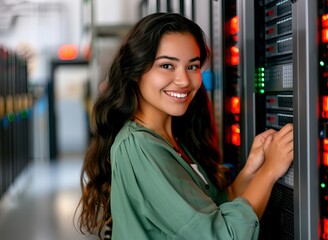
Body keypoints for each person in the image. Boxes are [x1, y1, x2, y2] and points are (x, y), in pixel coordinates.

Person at [75, 12, 294, 240]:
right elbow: (222, 235)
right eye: (167, 65)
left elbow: (213, 208)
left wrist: (252, 168)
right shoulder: (138, 146)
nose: (184, 80)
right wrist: (270, 171)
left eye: (192, 66)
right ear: (135, 71)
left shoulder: (169, 139)